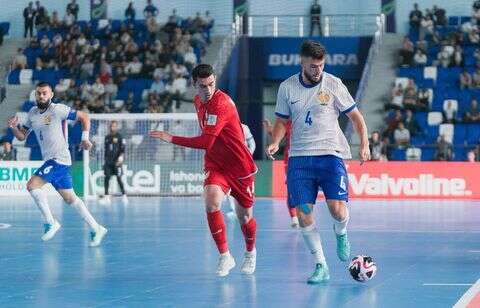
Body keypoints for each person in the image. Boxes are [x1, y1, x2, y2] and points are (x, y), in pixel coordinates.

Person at [265, 40, 370, 284]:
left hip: (330, 154)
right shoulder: (286, 88)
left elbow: (356, 117)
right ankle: (321, 265)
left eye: (321, 65)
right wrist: (276, 142)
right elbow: (281, 121)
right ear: (302, 62)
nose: (317, 70)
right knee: (303, 212)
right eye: (313, 66)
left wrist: (364, 144)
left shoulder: (333, 84)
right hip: (299, 158)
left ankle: (341, 231)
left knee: (337, 210)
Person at [149, 64, 258, 277]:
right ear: (194, 85)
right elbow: (211, 144)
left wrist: (172, 138)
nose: (208, 89)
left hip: (239, 166)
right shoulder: (198, 101)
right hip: (216, 164)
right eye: (202, 85)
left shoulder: (222, 104)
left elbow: (207, 141)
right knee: (211, 202)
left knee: (244, 218)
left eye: (211, 84)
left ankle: (250, 253)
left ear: (215, 80)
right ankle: (225, 256)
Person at [6, 82, 107, 246]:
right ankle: (97, 228)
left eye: (44, 93)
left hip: (59, 159)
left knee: (32, 185)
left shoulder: (57, 109)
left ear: (51, 94)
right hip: (52, 161)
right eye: (38, 93)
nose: (41, 96)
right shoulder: (32, 113)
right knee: (71, 199)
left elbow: (84, 117)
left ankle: (50, 222)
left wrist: (84, 138)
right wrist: (13, 128)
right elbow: (22, 136)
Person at [263, 119, 299, 228]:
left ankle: (304, 211)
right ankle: (294, 217)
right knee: (291, 188)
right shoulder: (290, 121)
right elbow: (276, 132)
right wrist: (269, 128)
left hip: (308, 158)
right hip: (291, 159)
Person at [224, 123, 256, 221]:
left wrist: (247, 156)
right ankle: (232, 209)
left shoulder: (244, 128)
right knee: (229, 186)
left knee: (248, 189)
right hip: (230, 163)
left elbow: (252, 144)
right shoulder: (223, 126)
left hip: (244, 165)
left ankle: (248, 209)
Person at [99, 121, 128, 205]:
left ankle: (124, 195)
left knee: (119, 178)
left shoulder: (120, 137)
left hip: (117, 162)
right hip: (108, 162)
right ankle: (106, 197)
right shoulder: (107, 137)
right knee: (107, 177)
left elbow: (123, 149)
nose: (113, 128)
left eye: (115, 126)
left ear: (116, 127)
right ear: (110, 127)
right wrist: (104, 161)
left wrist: (121, 158)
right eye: (112, 126)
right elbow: (106, 150)